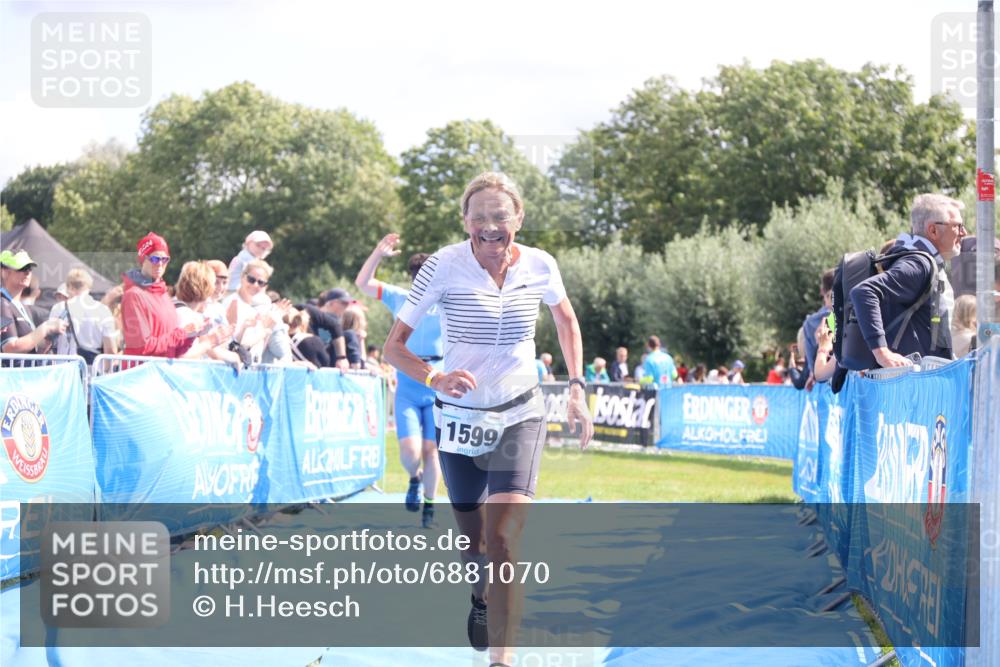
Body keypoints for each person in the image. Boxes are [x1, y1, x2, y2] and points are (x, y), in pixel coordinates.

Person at [383, 171, 593, 665]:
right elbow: (394, 347)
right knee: (475, 544)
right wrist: (435, 378)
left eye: (500, 216)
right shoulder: (442, 266)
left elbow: (565, 319)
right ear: (465, 222)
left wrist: (577, 389)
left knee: (503, 539)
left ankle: (503, 659)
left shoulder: (541, 265)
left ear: (518, 218)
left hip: (521, 412)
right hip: (458, 418)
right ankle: (480, 597)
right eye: (479, 218)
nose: (490, 226)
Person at [355, 233, 445, 528]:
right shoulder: (400, 297)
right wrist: (378, 254)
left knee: (433, 451)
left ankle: (430, 506)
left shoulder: (449, 300)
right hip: (407, 382)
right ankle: (414, 478)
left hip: (437, 381)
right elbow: (362, 284)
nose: (425, 281)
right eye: (420, 276)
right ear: (413, 278)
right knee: (411, 451)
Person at [851, 194, 964, 368]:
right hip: (913, 386)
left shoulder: (918, 260)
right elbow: (864, 292)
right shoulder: (920, 264)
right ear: (933, 230)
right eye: (958, 226)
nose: (963, 233)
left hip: (913, 382)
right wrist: (881, 353)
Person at [120, 233, 214, 358]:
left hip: (162, 372)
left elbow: (173, 352)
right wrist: (183, 334)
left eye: (164, 259)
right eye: (154, 259)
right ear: (143, 259)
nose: (159, 264)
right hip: (143, 374)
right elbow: (142, 348)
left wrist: (192, 335)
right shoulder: (133, 295)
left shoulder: (164, 294)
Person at [0, 250, 67, 353]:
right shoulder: (2, 302)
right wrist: (46, 328)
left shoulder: (22, 307)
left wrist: (48, 339)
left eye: (29, 268)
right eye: (21, 268)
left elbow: (30, 348)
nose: (27, 273)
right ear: (4, 272)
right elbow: (10, 348)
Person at [49, 268, 119, 362]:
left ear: (69, 287)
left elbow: (48, 341)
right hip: (93, 370)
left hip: (64, 370)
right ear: (89, 287)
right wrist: (103, 371)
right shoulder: (103, 310)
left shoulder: (58, 308)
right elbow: (111, 350)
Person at [172, 261, 237, 361]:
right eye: (214, 284)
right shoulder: (187, 315)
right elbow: (180, 356)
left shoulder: (181, 310)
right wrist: (208, 343)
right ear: (206, 289)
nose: (218, 289)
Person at [223, 259, 280, 364]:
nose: (255, 285)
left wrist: (268, 329)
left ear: (265, 286)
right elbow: (232, 345)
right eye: (251, 279)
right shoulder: (233, 303)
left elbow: (259, 348)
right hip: (234, 370)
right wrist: (264, 331)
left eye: (261, 282)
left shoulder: (255, 307)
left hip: (251, 368)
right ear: (242, 277)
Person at [802, 269, 835, 385]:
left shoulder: (810, 322)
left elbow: (813, 364)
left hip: (826, 382)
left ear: (822, 291)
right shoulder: (853, 313)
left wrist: (822, 349)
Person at [341, 304, 368, 369]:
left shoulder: (340, 335)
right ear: (359, 321)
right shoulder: (351, 336)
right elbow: (360, 364)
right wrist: (361, 340)